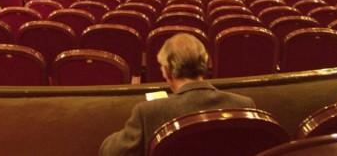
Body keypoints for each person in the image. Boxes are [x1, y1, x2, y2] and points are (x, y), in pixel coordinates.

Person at [99, 33, 255, 156]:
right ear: (206, 64)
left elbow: (112, 152)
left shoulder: (148, 112)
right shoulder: (244, 105)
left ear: (167, 71)